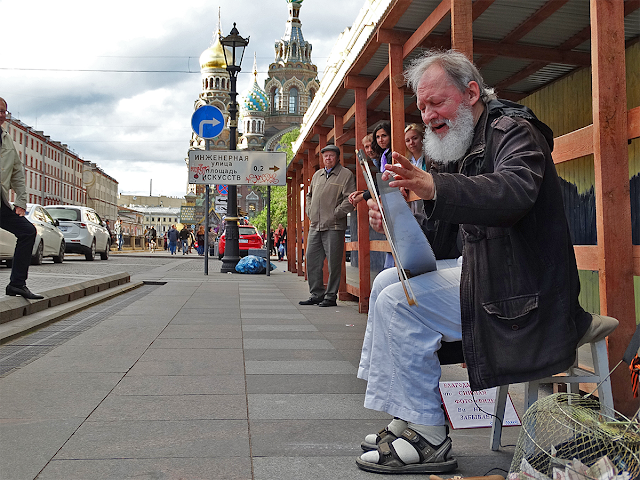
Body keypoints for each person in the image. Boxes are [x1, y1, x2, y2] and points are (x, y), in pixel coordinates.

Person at [355, 50, 617, 474]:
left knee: (397, 302)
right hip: (493, 277)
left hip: (528, 293)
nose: (428, 115)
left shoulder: (514, 130)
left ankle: (429, 435)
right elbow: (440, 234)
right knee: (387, 282)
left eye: (436, 103)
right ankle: (407, 414)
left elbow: (513, 192)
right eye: (422, 108)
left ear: (471, 92)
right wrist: (397, 218)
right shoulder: (458, 144)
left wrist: (432, 186)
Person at [299, 144, 355, 307]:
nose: (328, 158)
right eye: (325, 156)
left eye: (331, 155)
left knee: (334, 262)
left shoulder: (346, 175)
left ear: (337, 158)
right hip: (315, 225)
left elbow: (350, 199)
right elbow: (308, 196)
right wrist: (309, 211)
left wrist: (336, 213)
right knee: (311, 259)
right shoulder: (317, 175)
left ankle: (331, 296)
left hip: (334, 226)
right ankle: (316, 294)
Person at [0, 98, 43, 300]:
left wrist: (20, 202)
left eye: (3, 112)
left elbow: (17, 172)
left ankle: (17, 284)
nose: (1, 115)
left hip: (1, 202)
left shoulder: (7, 139)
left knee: (27, 232)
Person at [402, 123, 428, 215]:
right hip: (412, 209)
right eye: (407, 140)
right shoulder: (406, 162)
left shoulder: (431, 159)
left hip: (428, 207)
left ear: (422, 138)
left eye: (415, 138)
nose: (411, 143)